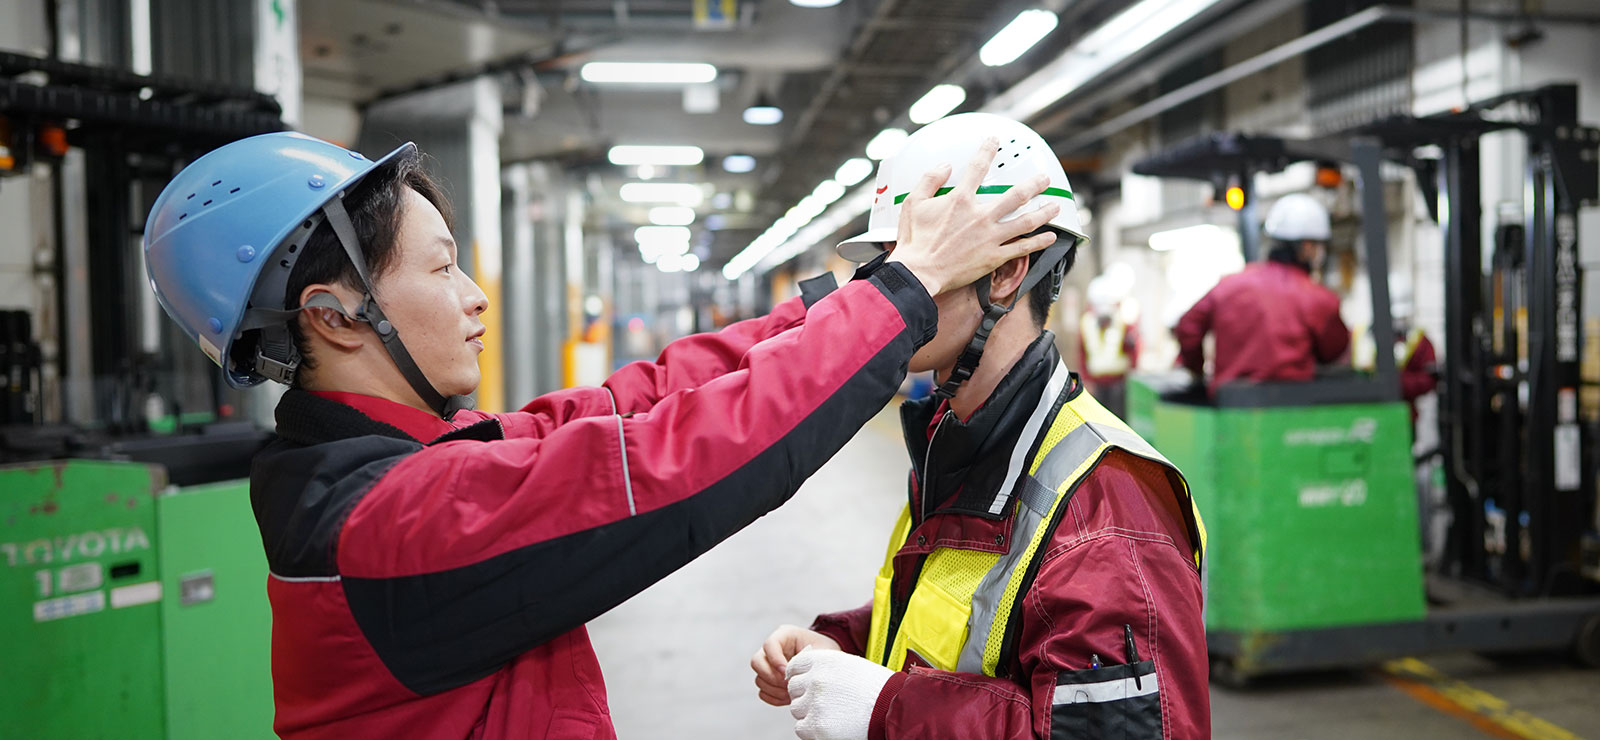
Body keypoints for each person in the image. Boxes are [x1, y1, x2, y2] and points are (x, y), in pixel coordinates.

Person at [141, 131, 1060, 739]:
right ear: (334, 316)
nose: (476, 298)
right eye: (444, 268)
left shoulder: (404, 462)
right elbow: (676, 461)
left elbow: (635, 404)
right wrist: (903, 294)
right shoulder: (390, 527)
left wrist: (851, 302)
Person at [749, 114, 1209, 740]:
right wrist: (845, 645)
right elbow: (959, 615)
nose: (881, 292)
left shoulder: (1106, 512)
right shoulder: (954, 437)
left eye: (912, 263)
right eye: (884, 266)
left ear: (1005, 272)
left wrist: (889, 708)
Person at [1174, 193, 1349, 396]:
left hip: (1230, 405)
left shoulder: (1229, 285)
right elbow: (1333, 351)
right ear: (1307, 247)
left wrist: (1196, 370)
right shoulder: (1319, 298)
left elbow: (1188, 326)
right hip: (1294, 407)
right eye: (1319, 247)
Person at [1352, 274, 1437, 424]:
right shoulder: (1359, 336)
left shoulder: (1418, 340)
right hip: (1363, 418)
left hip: (1403, 418)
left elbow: (1428, 379)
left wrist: (1396, 383)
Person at [1079, 270, 1140, 417]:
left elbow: (1134, 350)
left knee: (1118, 418)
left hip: (1118, 383)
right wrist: (1086, 379)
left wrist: (1132, 374)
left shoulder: (1124, 322)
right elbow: (1082, 353)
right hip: (1096, 383)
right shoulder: (1087, 323)